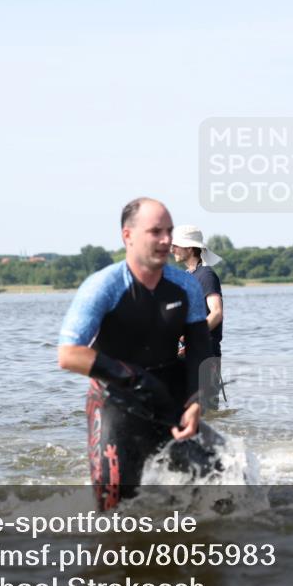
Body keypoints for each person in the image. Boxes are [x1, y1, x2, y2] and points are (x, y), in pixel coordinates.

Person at [57, 197, 217, 509]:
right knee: (114, 512)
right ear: (127, 236)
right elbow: (69, 354)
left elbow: (200, 347)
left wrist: (197, 401)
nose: (166, 240)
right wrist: (135, 379)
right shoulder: (103, 286)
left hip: (169, 403)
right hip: (115, 404)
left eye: (169, 231)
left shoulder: (185, 286)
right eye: (155, 231)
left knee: (225, 486)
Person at [171, 224, 225, 410]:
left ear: (189, 247)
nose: (172, 249)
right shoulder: (188, 276)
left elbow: (216, 312)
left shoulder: (206, 275)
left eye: (176, 245)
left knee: (205, 414)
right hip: (186, 356)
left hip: (203, 357)